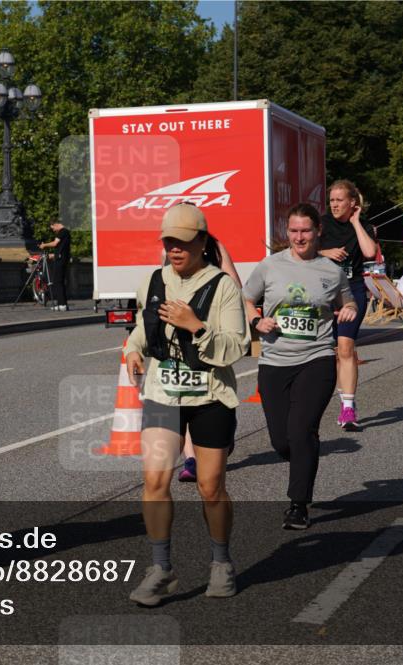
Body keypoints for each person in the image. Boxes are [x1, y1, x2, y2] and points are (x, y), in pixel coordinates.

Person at [124, 203, 249, 606]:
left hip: (210, 395)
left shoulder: (223, 286)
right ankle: (161, 568)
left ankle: (220, 561)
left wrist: (194, 324)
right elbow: (143, 329)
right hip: (163, 393)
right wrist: (132, 350)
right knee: (155, 482)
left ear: (201, 242)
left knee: (211, 488)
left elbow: (237, 347)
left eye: (182, 242)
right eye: (168, 242)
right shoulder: (153, 281)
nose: (174, 249)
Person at [244, 203, 357, 530]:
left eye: (305, 230)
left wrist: (349, 309)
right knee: (282, 441)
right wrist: (256, 320)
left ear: (317, 231)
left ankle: (298, 505)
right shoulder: (270, 266)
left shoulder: (330, 270)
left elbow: (347, 300)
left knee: (301, 429)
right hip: (275, 361)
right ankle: (303, 460)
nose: (298, 237)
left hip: (317, 358)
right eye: (293, 231)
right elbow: (248, 298)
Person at [175, 238, 247, 482]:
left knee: (209, 389)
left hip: (210, 328)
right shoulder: (169, 251)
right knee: (183, 393)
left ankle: (223, 425)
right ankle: (191, 459)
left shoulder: (215, 245)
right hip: (180, 333)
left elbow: (235, 285)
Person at [318, 180, 376, 430]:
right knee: (328, 352)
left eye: (339, 200)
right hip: (324, 293)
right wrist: (325, 253)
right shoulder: (321, 224)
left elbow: (370, 252)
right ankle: (337, 400)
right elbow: (299, 249)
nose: (334, 204)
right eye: (331, 200)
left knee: (345, 348)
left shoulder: (362, 225)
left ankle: (349, 408)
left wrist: (355, 222)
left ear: (352, 202)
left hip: (352, 292)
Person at [39, 219, 71, 311]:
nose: (53, 230)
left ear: (56, 224)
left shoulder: (62, 231)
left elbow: (55, 243)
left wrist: (44, 245)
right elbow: (62, 248)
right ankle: (63, 304)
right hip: (61, 259)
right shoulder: (65, 232)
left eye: (53, 228)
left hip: (61, 260)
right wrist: (53, 255)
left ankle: (62, 304)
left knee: (57, 281)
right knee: (59, 281)